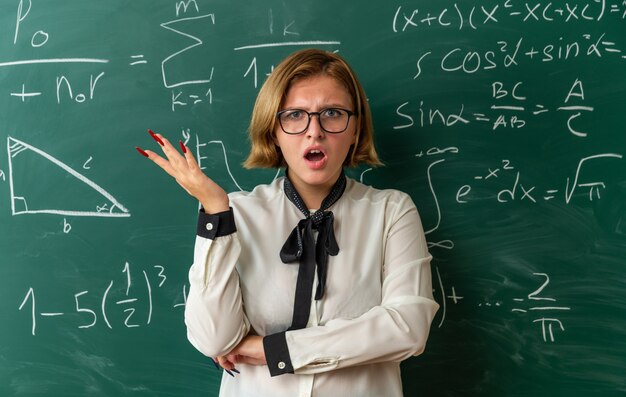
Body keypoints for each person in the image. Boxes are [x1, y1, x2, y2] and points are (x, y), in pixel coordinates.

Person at [136, 48, 439, 397]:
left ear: (355, 130)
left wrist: (273, 350)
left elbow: (407, 328)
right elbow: (214, 339)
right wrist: (216, 212)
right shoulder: (238, 214)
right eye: (295, 115)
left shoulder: (391, 212)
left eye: (333, 114)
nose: (315, 131)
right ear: (274, 132)